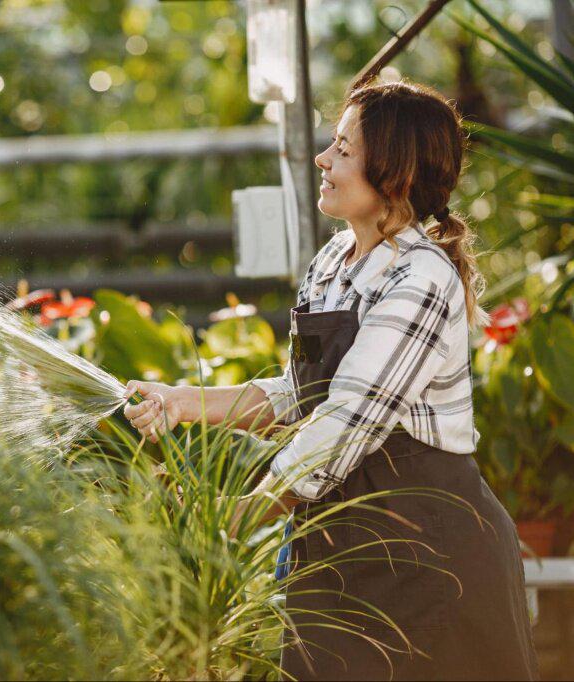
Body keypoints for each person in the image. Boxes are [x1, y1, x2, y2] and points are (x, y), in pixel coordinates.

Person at [123, 80, 538, 681]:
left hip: (428, 554)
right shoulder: (334, 261)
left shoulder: (422, 278)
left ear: (392, 173)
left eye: (343, 149)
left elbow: (348, 423)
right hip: (339, 542)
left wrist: (242, 515)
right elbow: (301, 392)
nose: (323, 158)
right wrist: (180, 401)